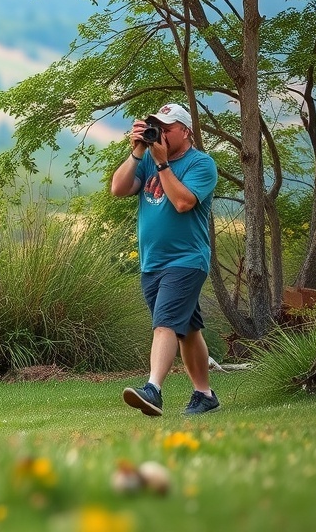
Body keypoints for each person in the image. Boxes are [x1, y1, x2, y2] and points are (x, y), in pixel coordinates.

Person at [109, 103, 220, 415]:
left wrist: (161, 165)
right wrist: (136, 152)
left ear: (185, 131)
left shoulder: (201, 164)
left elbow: (184, 202)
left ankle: (153, 389)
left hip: (186, 259)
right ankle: (205, 395)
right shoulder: (147, 161)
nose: (161, 133)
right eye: (156, 126)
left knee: (165, 323)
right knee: (188, 329)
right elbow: (117, 189)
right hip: (152, 261)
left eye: (167, 128)